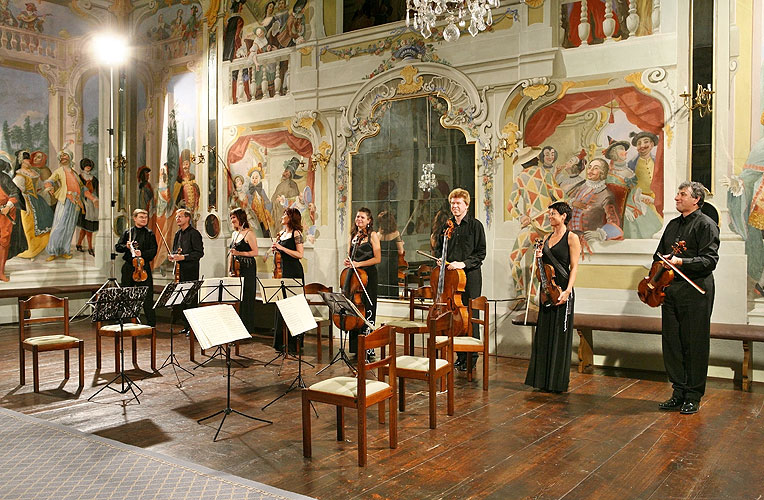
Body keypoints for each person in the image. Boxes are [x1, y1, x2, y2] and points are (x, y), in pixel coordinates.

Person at [655, 182, 719, 415]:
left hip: (695, 291)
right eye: (678, 193)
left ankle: (693, 395)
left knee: (694, 343)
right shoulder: (673, 225)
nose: (676, 198)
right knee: (671, 342)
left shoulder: (706, 224)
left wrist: (682, 262)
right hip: (671, 289)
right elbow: (659, 254)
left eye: (682, 195)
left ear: (696, 200)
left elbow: (709, 261)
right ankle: (678, 391)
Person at [524, 201, 581, 392]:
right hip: (547, 293)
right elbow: (543, 270)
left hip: (563, 291)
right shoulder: (547, 238)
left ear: (564, 216)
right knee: (544, 335)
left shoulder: (571, 238)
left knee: (559, 335)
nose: (550, 217)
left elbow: (574, 267)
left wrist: (568, 291)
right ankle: (541, 381)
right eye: (549, 213)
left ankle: (556, 383)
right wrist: (539, 257)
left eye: (553, 213)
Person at [434, 188, 487, 372]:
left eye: (458, 203)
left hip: (469, 277)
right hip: (451, 279)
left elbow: (481, 253)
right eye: (452, 203)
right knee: (455, 317)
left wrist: (462, 264)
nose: (455, 206)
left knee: (470, 316)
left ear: (466, 205)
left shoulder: (475, 226)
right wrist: (441, 259)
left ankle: (471, 357)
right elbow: (439, 248)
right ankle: (459, 356)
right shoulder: (446, 227)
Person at [507, 146, 565, 300]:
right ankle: (533, 298)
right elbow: (560, 196)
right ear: (536, 159)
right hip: (547, 229)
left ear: (522, 163)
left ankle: (519, 294)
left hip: (531, 227)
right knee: (538, 264)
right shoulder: (545, 174)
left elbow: (510, 206)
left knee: (514, 259)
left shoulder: (519, 178)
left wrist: (521, 217)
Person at [344, 207, 381, 359]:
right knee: (355, 310)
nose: (359, 219)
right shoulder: (353, 235)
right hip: (355, 277)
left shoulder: (373, 235)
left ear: (369, 221)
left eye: (363, 218)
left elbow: (377, 259)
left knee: (368, 310)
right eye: (357, 217)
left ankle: (369, 348)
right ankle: (356, 348)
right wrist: (349, 262)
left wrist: (358, 264)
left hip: (368, 276)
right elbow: (349, 254)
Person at [115, 209, 158, 326]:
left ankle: (151, 323)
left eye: (145, 217)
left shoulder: (150, 233)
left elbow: (154, 250)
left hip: (143, 267)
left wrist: (142, 254)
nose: (144, 219)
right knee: (126, 293)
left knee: (147, 295)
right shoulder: (128, 232)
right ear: (135, 218)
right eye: (141, 217)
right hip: (129, 267)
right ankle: (123, 321)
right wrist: (126, 246)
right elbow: (118, 247)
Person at [270, 207, 305, 353]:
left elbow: (300, 254)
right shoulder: (282, 234)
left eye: (286, 214)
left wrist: (282, 249)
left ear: (292, 218)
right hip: (282, 271)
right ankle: (281, 342)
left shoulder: (297, 233)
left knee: (293, 306)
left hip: (294, 272)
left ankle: (293, 343)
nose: (283, 215)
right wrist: (276, 249)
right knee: (281, 306)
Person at [44, 149, 84, 261]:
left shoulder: (75, 173)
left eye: (65, 155)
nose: (63, 157)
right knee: (59, 225)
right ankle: (52, 251)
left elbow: (81, 187)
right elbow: (50, 180)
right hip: (65, 199)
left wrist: (92, 198)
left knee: (70, 227)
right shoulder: (58, 171)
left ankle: (64, 250)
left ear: (70, 157)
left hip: (75, 202)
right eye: (61, 156)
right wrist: (49, 187)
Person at [12, 150, 52, 259]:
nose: (30, 160)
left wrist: (46, 189)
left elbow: (38, 187)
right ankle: (30, 251)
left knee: (46, 220)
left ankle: (40, 248)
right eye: (27, 159)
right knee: (29, 226)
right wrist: (24, 203)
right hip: (25, 201)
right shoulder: (19, 175)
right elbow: (18, 192)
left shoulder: (34, 172)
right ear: (22, 161)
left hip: (37, 200)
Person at [169, 208, 204, 330]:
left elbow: (199, 253)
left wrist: (183, 257)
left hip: (191, 270)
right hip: (180, 271)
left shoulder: (194, 234)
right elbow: (175, 250)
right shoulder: (177, 234)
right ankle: (186, 325)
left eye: (180, 216)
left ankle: (193, 328)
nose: (177, 219)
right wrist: (173, 256)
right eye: (177, 217)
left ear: (187, 218)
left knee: (191, 300)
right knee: (183, 299)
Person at [228, 208, 258, 334]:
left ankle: (247, 329)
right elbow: (231, 253)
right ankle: (237, 328)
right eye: (231, 218)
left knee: (246, 298)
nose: (232, 220)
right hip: (237, 269)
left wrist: (239, 253)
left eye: (234, 217)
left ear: (240, 218)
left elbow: (255, 252)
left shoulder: (249, 233)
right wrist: (229, 269)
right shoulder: (234, 234)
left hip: (247, 269)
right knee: (237, 298)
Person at [0, 158, 26, 281]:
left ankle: (0, 271)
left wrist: (8, 206)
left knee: (3, 242)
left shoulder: (4, 178)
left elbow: (15, 193)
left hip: (4, 214)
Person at [376, 210, 404, 298]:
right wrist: (401, 243)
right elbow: (401, 251)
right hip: (391, 263)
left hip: (380, 264)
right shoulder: (395, 234)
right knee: (391, 283)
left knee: (381, 283)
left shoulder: (377, 235)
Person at [75, 158, 99, 256]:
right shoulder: (79, 177)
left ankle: (79, 244)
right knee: (87, 227)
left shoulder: (94, 179)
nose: (88, 167)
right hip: (84, 204)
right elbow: (78, 190)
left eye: (89, 166)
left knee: (86, 228)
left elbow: (97, 191)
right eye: (86, 165)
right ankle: (89, 247)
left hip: (93, 203)